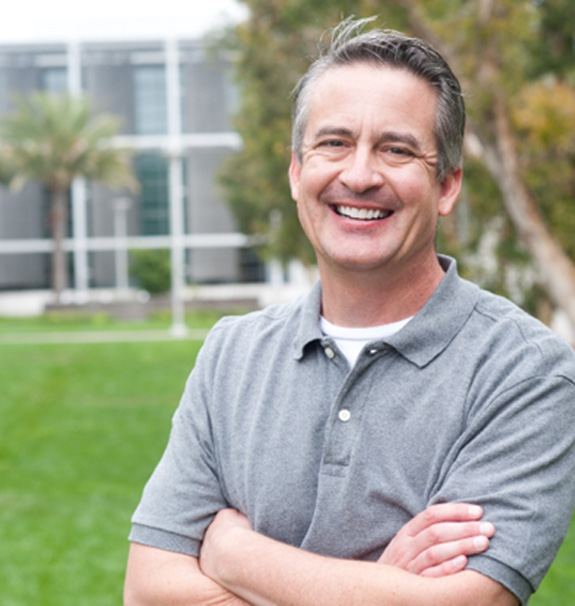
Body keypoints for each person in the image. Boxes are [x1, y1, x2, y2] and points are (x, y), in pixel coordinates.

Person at [124, 17, 575, 606]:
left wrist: (233, 553)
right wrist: (375, 588)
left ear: (446, 186)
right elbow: (146, 590)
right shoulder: (230, 354)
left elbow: (466, 602)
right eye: (333, 143)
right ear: (296, 172)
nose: (359, 175)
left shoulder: (526, 372)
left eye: (397, 149)